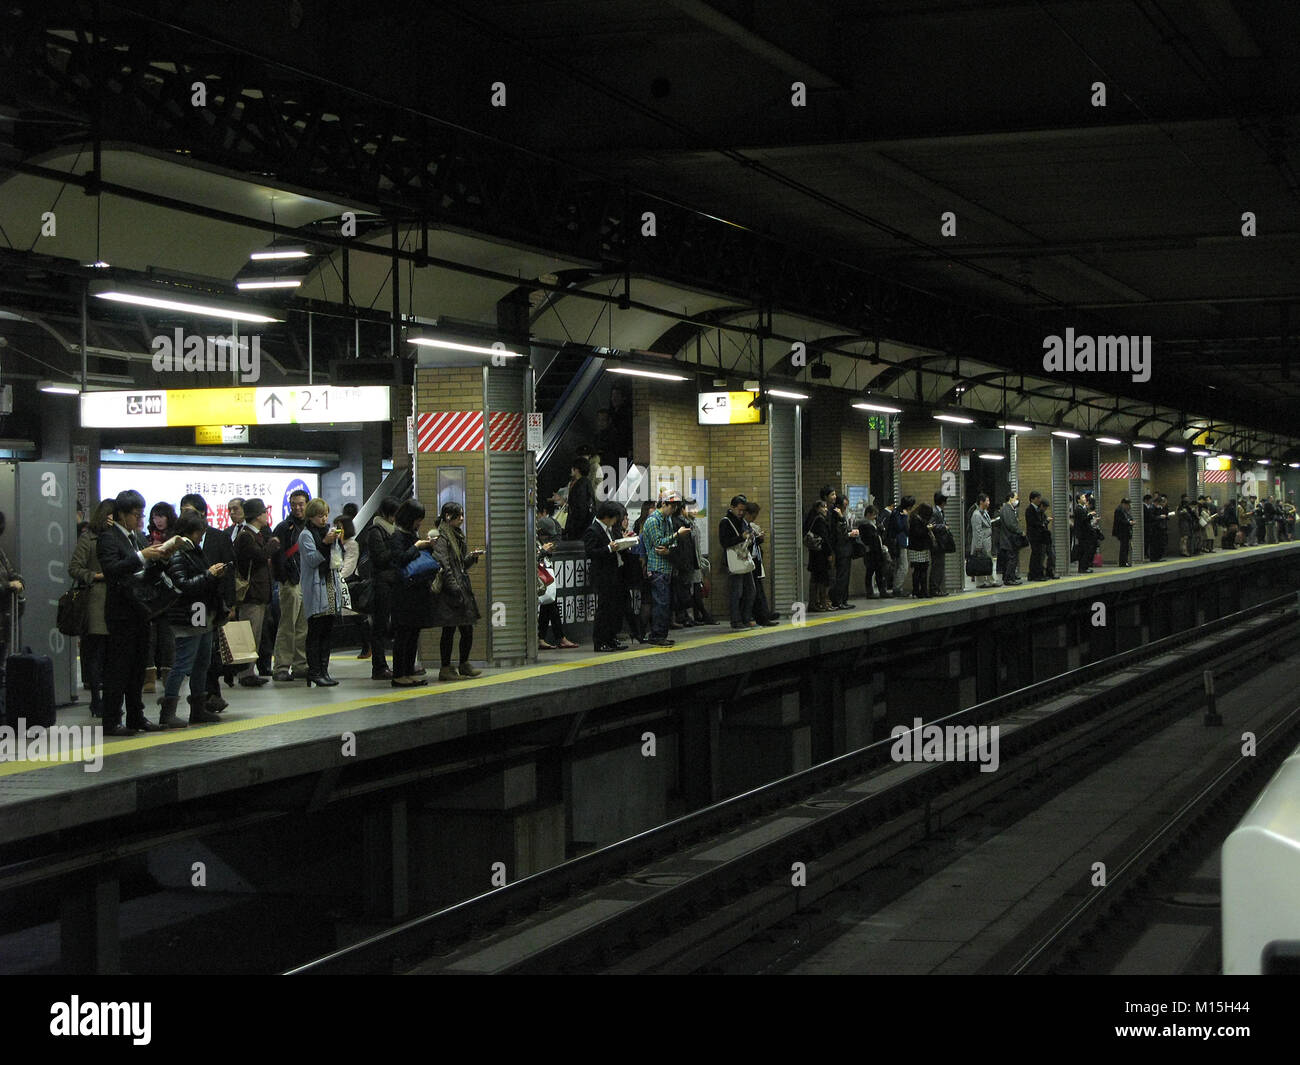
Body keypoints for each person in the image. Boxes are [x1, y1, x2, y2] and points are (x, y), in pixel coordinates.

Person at [98, 490, 178, 735]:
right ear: (121, 514)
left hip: (142, 611)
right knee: (118, 668)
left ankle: (136, 716)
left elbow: (147, 570)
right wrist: (141, 556)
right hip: (121, 613)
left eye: (141, 514)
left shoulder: (138, 538)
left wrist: (163, 556)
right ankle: (111, 720)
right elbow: (112, 570)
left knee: (137, 668)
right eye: (136, 514)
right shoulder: (109, 538)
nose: (140, 519)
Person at [160, 511, 228, 727]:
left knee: (202, 662)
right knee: (183, 663)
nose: (201, 537)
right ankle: (168, 711)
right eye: (199, 533)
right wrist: (209, 574)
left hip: (202, 612)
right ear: (190, 532)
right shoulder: (178, 553)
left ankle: (197, 709)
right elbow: (183, 584)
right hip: (188, 613)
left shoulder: (193, 550)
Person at [180, 494, 238, 713]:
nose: (185, 515)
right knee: (194, 652)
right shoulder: (176, 540)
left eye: (190, 511)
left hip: (214, 602)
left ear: (203, 513)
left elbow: (230, 571)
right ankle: (199, 697)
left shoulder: (218, 537)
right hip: (190, 604)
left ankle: (211, 694)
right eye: (182, 510)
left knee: (211, 651)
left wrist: (230, 603)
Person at [429, 502, 485, 681]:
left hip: (461, 588)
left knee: (467, 629)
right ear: (447, 516)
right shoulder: (441, 538)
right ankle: (446, 667)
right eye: (458, 515)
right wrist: (454, 587)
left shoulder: (456, 535)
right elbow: (444, 565)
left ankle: (464, 663)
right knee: (449, 630)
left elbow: (460, 564)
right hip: (451, 591)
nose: (462, 518)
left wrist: (471, 558)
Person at [69, 499, 113, 718]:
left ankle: (108, 700)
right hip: (96, 600)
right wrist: (95, 576)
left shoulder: (122, 538)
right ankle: (97, 699)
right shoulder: (89, 538)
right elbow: (74, 568)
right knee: (95, 653)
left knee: (110, 655)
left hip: (117, 601)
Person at [387, 499, 434, 687]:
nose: (419, 523)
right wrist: (417, 547)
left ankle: (408, 671)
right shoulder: (397, 536)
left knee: (413, 633)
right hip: (403, 593)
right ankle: (399, 674)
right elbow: (400, 559)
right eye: (417, 519)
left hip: (416, 592)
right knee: (403, 634)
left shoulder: (411, 534)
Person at [298, 499, 344, 686]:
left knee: (327, 631)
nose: (324, 519)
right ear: (311, 516)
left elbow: (337, 559)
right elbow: (312, 559)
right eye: (320, 516)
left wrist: (336, 543)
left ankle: (324, 671)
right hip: (316, 587)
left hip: (330, 585)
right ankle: (314, 671)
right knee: (315, 631)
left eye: (326, 515)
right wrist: (325, 543)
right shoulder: (306, 535)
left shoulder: (328, 531)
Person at [233, 498, 278, 687]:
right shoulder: (246, 536)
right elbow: (258, 557)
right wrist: (271, 546)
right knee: (249, 633)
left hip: (259, 593)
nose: (266, 516)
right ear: (258, 515)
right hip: (250, 594)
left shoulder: (256, 535)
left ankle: (249, 670)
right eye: (264, 512)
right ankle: (245, 673)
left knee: (256, 633)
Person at [358, 496, 400, 679]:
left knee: (395, 626)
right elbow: (380, 558)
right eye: (394, 514)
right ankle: (379, 667)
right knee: (379, 627)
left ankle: (398, 664)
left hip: (394, 583)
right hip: (381, 584)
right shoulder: (376, 531)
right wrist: (396, 548)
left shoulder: (394, 530)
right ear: (386, 513)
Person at [584, 500, 634, 651]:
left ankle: (611, 638)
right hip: (603, 576)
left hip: (615, 574)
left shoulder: (609, 530)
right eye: (614, 519)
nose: (615, 522)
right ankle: (600, 642)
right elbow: (591, 553)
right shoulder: (593, 530)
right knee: (604, 610)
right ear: (607, 516)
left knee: (614, 609)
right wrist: (608, 548)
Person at [271, 489, 311, 680]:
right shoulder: (283, 527)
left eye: (301, 504)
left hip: (308, 581)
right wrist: (285, 578)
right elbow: (277, 557)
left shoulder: (311, 526)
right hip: (291, 582)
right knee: (287, 625)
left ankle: (300, 665)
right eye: (294, 504)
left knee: (303, 626)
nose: (297, 507)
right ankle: (281, 667)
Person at [144, 502, 178, 695]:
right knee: (149, 638)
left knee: (167, 638)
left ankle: (168, 677)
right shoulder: (146, 539)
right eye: (155, 517)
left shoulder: (175, 539)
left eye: (162, 516)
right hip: (149, 594)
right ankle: (148, 677)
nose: (158, 521)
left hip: (168, 595)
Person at [639, 493, 681, 646]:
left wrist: (671, 544)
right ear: (663, 504)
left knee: (665, 603)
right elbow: (658, 543)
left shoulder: (667, 520)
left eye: (676, 506)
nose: (674, 509)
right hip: (656, 568)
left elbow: (670, 544)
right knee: (660, 603)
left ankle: (661, 634)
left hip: (667, 567)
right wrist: (677, 534)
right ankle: (656, 635)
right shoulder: (653, 521)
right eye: (672, 505)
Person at [719, 494, 757, 628]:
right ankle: (736, 620)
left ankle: (745, 618)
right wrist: (741, 537)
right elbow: (724, 542)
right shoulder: (725, 522)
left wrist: (751, 537)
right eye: (739, 510)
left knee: (751, 591)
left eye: (743, 510)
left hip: (744, 559)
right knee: (736, 592)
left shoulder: (742, 521)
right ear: (732, 507)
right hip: (734, 561)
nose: (741, 513)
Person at [743, 501, 779, 625]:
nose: (754, 519)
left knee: (757, 589)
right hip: (747, 561)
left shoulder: (748, 525)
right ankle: (759, 616)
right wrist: (755, 539)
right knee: (753, 591)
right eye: (753, 516)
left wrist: (757, 539)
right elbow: (744, 543)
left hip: (754, 561)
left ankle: (764, 614)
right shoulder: (743, 525)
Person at [829, 494, 860, 609]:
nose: (845, 508)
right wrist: (849, 533)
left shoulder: (843, 515)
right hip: (841, 550)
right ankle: (838, 600)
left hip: (846, 549)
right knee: (841, 576)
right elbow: (839, 533)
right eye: (844, 505)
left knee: (845, 576)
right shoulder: (836, 515)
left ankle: (844, 599)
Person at [803, 498, 833, 612]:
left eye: (826, 507)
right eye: (823, 507)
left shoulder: (812, 519)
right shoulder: (820, 520)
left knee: (816, 579)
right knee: (821, 579)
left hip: (815, 554)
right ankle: (821, 603)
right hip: (821, 555)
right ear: (817, 509)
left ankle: (816, 603)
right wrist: (829, 553)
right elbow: (825, 538)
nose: (826, 509)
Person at [856, 505, 889, 598]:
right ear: (868, 514)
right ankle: (870, 592)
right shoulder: (864, 525)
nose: (875, 517)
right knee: (870, 572)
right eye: (874, 515)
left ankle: (882, 591)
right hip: (870, 552)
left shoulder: (874, 524)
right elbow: (869, 539)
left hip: (877, 551)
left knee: (879, 572)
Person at [562, 458, 595, 541]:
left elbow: (580, 508)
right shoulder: (587, 483)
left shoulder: (580, 485)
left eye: (573, 468)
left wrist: (574, 527)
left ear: (577, 469)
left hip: (579, 530)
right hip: (585, 527)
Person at [908, 502, 935, 597]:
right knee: (920, 570)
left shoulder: (915, 518)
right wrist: (927, 529)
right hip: (918, 548)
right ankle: (919, 591)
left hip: (919, 548)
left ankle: (920, 590)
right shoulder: (916, 520)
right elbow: (918, 533)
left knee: (920, 570)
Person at [969, 493, 996, 588]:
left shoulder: (984, 512)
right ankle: (981, 582)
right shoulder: (976, 514)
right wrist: (978, 546)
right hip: (982, 542)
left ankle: (990, 580)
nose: (989, 502)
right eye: (987, 501)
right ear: (981, 502)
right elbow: (977, 531)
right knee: (981, 561)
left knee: (987, 561)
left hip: (986, 541)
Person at [997, 491, 1022, 585]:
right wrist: (1019, 531)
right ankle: (1008, 578)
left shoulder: (1010, 508)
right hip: (1009, 539)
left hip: (1009, 539)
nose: (1017, 501)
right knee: (1011, 559)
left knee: (1010, 559)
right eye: (1016, 498)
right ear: (1010, 498)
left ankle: (1010, 576)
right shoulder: (1007, 509)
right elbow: (1010, 524)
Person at [929, 492, 950, 596]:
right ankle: (934, 589)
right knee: (937, 566)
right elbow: (931, 526)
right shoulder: (935, 512)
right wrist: (943, 527)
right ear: (942, 501)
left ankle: (937, 588)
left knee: (939, 566)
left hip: (941, 543)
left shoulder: (939, 511)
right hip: (937, 544)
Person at [1025, 490, 1049, 581]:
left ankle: (1035, 573)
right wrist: (1042, 524)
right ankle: (1034, 575)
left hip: (1039, 536)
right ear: (1032, 499)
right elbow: (1033, 523)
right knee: (1035, 555)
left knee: (1038, 555)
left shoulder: (1038, 509)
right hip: (1034, 536)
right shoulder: (1029, 509)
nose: (1039, 500)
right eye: (1038, 498)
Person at [1074, 493, 1097, 572]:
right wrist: (1090, 515)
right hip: (1083, 534)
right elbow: (1083, 520)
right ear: (1078, 500)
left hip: (1084, 534)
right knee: (1084, 551)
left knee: (1085, 550)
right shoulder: (1078, 509)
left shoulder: (1082, 508)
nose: (1085, 499)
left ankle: (1084, 567)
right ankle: (1083, 568)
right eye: (1082, 497)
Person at [1112, 498, 1134, 567]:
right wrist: (1129, 522)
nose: (1129, 506)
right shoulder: (1119, 510)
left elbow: (1129, 517)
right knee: (1123, 548)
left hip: (1125, 531)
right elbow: (1120, 521)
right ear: (1124, 504)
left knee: (1126, 547)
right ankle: (1123, 562)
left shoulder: (1124, 511)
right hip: (1122, 531)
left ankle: (1125, 561)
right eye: (1128, 505)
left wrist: (1131, 521)